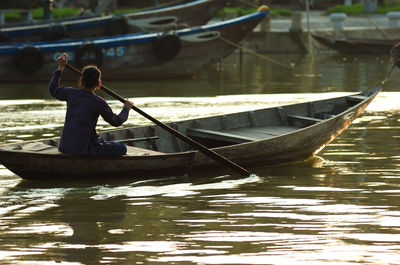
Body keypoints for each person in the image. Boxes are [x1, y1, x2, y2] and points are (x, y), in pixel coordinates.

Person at [49, 53, 134, 156]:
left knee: (100, 140)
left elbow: (53, 89)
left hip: (65, 147)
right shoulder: (99, 102)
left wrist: (60, 67)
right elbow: (116, 121)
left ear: (81, 81)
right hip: (85, 149)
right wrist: (126, 108)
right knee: (122, 148)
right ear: (98, 84)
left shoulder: (71, 93)